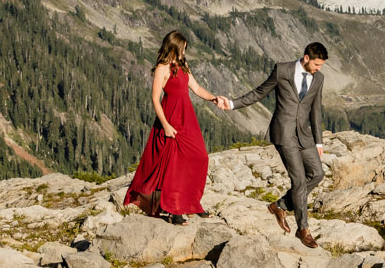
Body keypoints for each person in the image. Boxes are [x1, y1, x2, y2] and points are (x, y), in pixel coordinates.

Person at [124, 30, 231, 226]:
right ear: (173, 47)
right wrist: (165, 125)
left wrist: (213, 98)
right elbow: (155, 99)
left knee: (200, 157)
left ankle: (191, 203)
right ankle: (175, 210)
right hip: (171, 117)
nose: (184, 52)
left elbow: (197, 89)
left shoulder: (183, 65)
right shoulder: (162, 68)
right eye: (182, 48)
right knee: (175, 164)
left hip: (187, 117)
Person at [229, 41, 328, 248]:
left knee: (317, 174)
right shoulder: (282, 70)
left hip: (305, 136)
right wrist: (231, 104)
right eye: (317, 64)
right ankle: (303, 230)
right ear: (306, 58)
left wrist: (318, 141)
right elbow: (258, 92)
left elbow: (315, 111)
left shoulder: (319, 78)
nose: (319, 69)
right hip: (284, 134)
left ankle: (280, 205)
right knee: (299, 181)